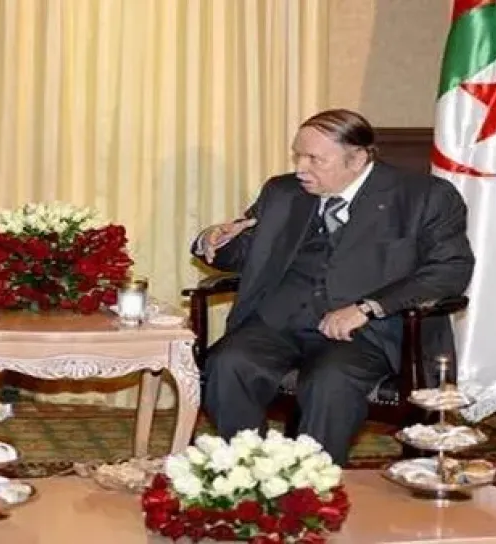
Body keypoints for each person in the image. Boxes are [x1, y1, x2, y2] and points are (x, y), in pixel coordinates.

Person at [193, 109, 474, 465]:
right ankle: (252, 470)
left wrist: (368, 307)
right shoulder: (283, 192)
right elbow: (243, 250)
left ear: (356, 159)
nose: (300, 168)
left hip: (366, 334)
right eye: (297, 155)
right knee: (227, 364)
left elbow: (451, 269)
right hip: (280, 322)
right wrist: (213, 239)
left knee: (330, 381)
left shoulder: (423, 196)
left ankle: (314, 481)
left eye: (314, 159)